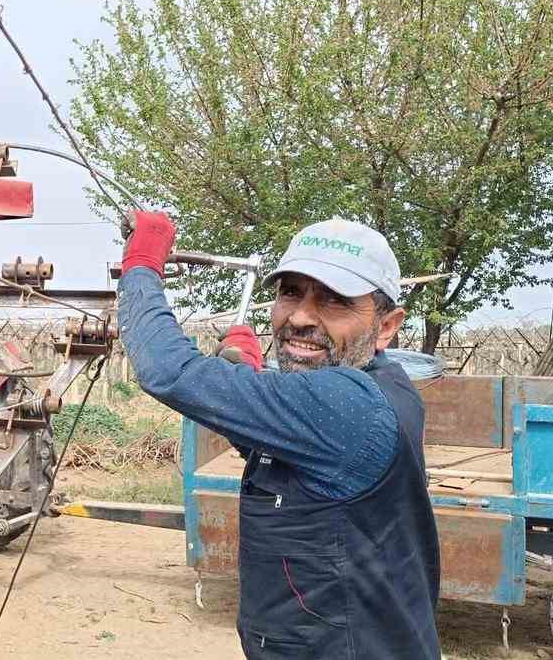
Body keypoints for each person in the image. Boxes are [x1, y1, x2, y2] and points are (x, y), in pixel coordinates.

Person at [118, 212, 440, 658]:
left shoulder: (349, 405)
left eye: (334, 301)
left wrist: (140, 266)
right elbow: (277, 447)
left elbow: (167, 368)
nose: (301, 317)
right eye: (290, 292)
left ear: (386, 326)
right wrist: (246, 379)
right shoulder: (385, 385)